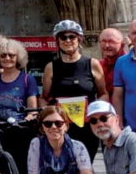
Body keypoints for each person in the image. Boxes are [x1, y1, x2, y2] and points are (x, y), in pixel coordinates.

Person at [42, 20, 106, 161]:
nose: (68, 40)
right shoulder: (51, 67)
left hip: (87, 126)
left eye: (72, 36)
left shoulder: (92, 64)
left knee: (86, 166)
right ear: (58, 41)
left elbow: (103, 94)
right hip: (61, 127)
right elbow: (44, 97)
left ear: (79, 39)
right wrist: (48, 113)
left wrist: (95, 111)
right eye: (63, 37)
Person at [0, 38, 38, 122]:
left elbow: (32, 110)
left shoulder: (28, 79)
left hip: (21, 127)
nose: (7, 58)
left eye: (11, 55)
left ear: (18, 57)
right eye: (3, 55)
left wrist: (30, 117)